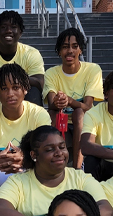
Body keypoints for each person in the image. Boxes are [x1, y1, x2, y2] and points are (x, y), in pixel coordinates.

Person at [0, 64, 51, 192]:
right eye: (4, 88)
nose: (10, 94)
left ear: (25, 89)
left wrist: (25, 158)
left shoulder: (39, 114)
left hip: (26, 169)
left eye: (15, 87)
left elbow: (48, 148)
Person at [44, 28, 104, 169]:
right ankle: (53, 166)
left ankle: (78, 167)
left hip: (84, 120)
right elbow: (51, 103)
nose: (70, 51)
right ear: (59, 51)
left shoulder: (92, 70)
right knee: (51, 114)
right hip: (60, 118)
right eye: (65, 47)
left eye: (74, 46)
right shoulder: (51, 73)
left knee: (79, 113)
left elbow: (88, 107)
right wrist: (59, 101)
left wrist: (70, 101)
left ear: (80, 50)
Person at [0, 11, 45, 111]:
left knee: (34, 91)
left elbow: (39, 82)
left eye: (13, 27)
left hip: (22, 102)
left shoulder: (31, 53)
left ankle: (35, 126)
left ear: (20, 32)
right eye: (3, 27)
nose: (8, 31)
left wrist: (15, 79)